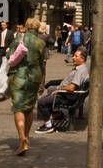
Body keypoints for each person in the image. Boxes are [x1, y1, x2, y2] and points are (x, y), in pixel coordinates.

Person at [6, 17, 46, 154]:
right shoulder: (41, 43)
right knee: (29, 108)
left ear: (27, 27)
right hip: (35, 76)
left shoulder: (19, 38)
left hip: (19, 76)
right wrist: (42, 83)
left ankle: (22, 137)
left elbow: (9, 57)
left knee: (18, 107)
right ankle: (27, 137)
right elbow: (42, 63)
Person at [35, 48, 90, 133]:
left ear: (82, 59)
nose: (73, 58)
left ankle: (48, 126)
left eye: (76, 56)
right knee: (50, 89)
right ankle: (55, 114)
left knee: (42, 102)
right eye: (73, 55)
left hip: (67, 97)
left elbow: (72, 87)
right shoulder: (81, 68)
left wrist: (59, 90)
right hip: (69, 95)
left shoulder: (79, 71)